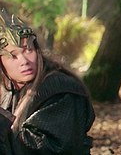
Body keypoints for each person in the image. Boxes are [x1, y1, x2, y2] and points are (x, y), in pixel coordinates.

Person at [0, 9, 96, 154]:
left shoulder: (61, 89)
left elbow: (44, 148)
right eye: (13, 56)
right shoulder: (11, 88)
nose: (24, 61)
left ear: (37, 50)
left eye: (28, 50)